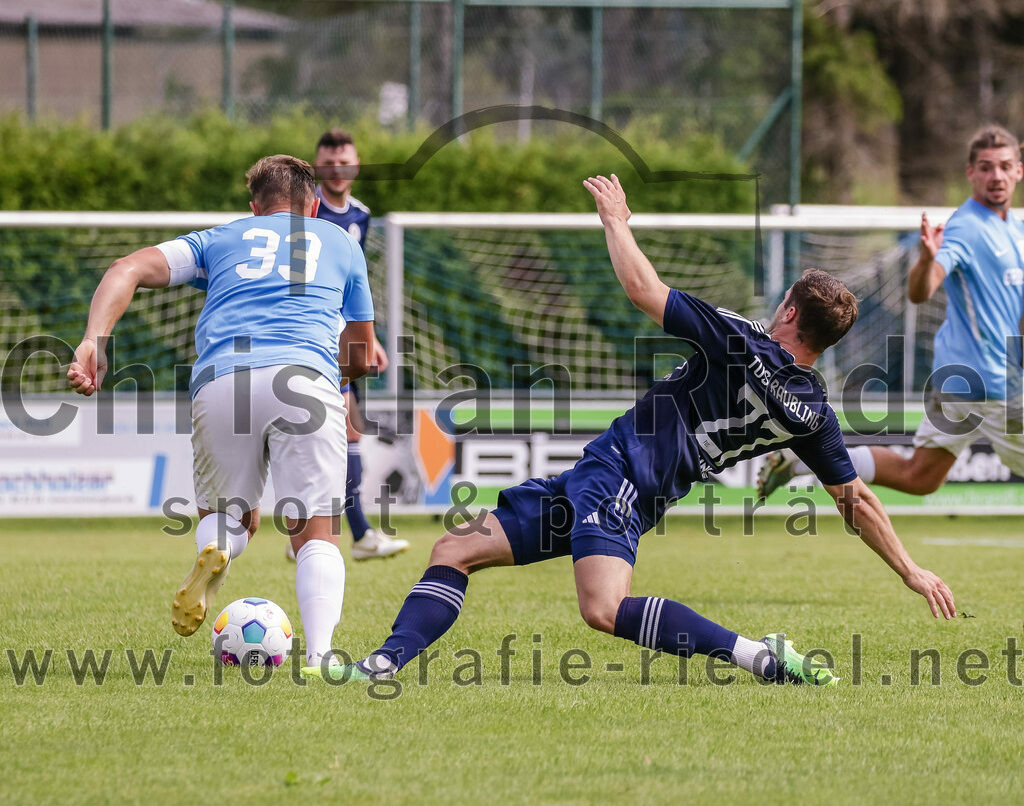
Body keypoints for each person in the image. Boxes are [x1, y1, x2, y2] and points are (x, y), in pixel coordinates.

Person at [302, 174, 956, 687]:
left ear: (788, 310)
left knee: (604, 610)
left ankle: (759, 656)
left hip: (620, 481)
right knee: (455, 549)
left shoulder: (739, 343)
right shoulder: (812, 409)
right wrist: (910, 569)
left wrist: (615, 221)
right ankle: (382, 664)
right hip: (612, 482)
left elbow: (644, 288)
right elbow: (855, 499)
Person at [67, 155, 376, 667]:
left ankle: (221, 549)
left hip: (222, 379)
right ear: (316, 206)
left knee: (230, 518)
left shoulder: (220, 238)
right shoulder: (342, 241)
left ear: (255, 209)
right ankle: (321, 657)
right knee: (313, 532)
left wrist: (92, 341)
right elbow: (363, 354)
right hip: (305, 377)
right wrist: (336, 378)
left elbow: (127, 268)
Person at [759, 124, 1024, 500]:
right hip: (989, 384)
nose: (995, 175)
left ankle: (801, 461)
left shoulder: (1016, 230)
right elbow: (922, 289)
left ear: (1019, 170)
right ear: (970, 173)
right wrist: (927, 259)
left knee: (919, 477)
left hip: (960, 378)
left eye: (1004, 165)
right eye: (985, 167)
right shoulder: (967, 228)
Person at [295, 127, 408, 561]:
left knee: (346, 431)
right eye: (329, 163)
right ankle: (353, 534)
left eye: (345, 162)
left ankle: (332, 532)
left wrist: (369, 337)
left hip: (345, 337)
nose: (337, 170)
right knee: (342, 430)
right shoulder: (306, 212)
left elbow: (355, 283)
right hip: (315, 336)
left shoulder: (360, 215)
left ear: (355, 166)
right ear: (317, 166)